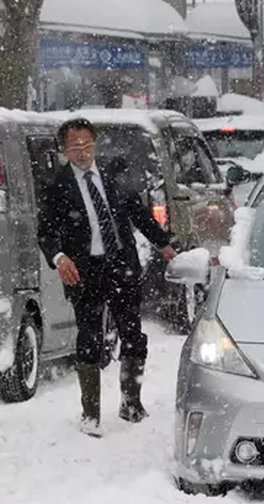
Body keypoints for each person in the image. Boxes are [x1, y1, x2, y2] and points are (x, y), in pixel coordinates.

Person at [37, 118, 176, 436]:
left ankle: (131, 402)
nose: (82, 151)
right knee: (89, 339)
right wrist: (59, 257)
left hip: (121, 265)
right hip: (85, 273)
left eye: (87, 144)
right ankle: (91, 413)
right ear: (64, 150)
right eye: (75, 146)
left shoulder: (113, 175)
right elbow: (45, 233)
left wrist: (164, 243)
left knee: (132, 333)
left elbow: (138, 213)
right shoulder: (57, 186)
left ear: (95, 145)